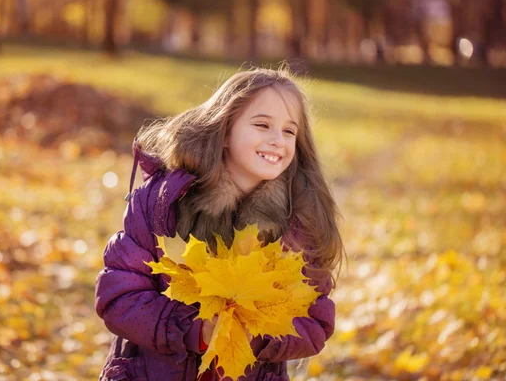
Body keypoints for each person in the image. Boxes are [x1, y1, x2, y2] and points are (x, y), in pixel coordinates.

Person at [94, 67, 345, 381]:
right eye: (262, 125)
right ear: (224, 131)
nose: (277, 140)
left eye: (289, 131)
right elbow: (120, 297)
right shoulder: (162, 203)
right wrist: (196, 331)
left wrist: (254, 333)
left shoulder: (298, 225)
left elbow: (316, 321)